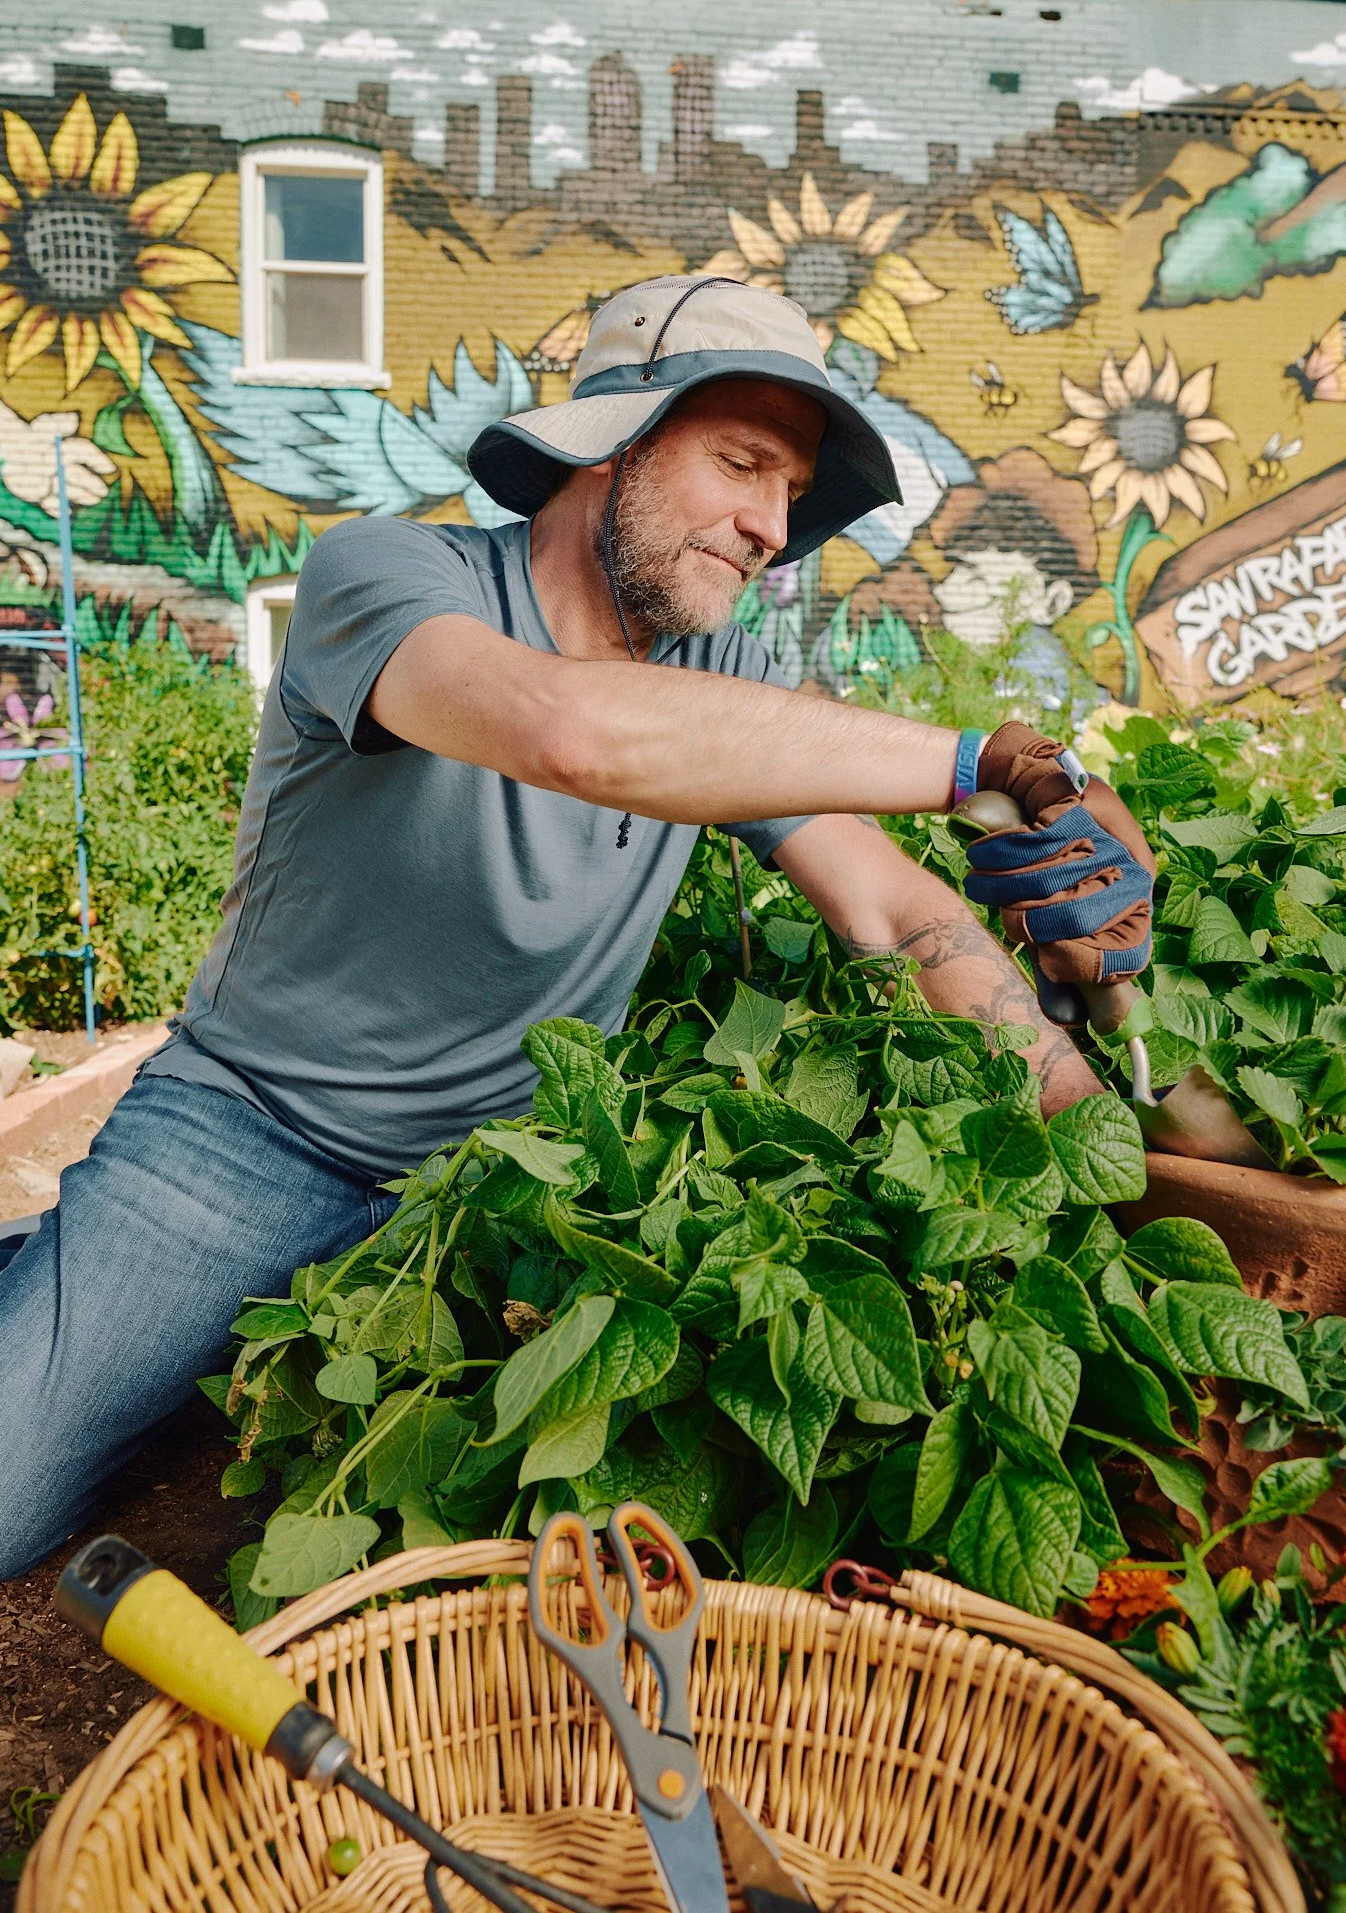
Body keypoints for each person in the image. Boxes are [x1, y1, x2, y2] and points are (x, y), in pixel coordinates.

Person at [0, 276, 1153, 1577]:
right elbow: (574, 732)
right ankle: (64, 1272)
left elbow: (888, 899)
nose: (772, 525)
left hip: (507, 1190)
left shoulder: (718, 677)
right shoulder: (384, 575)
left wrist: (1104, 1113)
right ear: (614, 439)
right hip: (247, 1141)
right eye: (741, 464)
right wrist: (984, 757)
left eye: (792, 493)